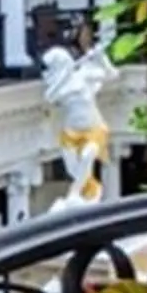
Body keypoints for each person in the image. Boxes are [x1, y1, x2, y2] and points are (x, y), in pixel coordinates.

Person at [40, 43, 116, 209]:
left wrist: (101, 57)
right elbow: (50, 97)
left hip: (93, 129)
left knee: (88, 155)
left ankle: (74, 194)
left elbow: (112, 75)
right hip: (71, 133)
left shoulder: (84, 76)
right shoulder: (58, 87)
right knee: (76, 172)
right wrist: (64, 76)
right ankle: (89, 193)